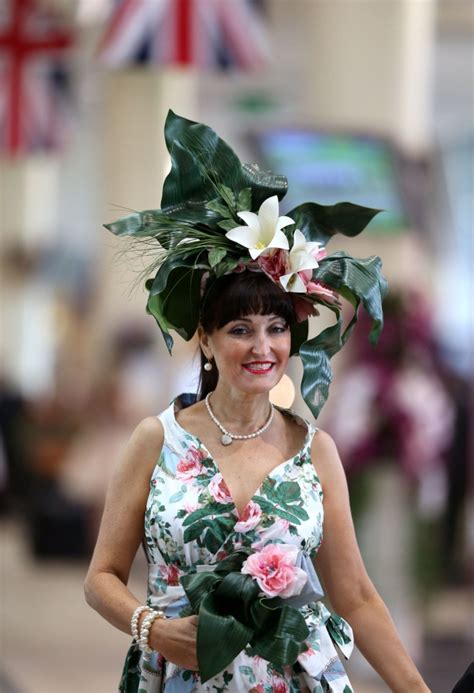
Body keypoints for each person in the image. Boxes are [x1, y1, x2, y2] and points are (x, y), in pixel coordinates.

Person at [84, 112, 430, 692]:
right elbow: (101, 578)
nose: (263, 347)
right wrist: (151, 629)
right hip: (180, 679)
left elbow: (358, 598)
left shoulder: (315, 452)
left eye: (276, 327)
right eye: (241, 329)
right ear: (207, 338)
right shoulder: (157, 439)